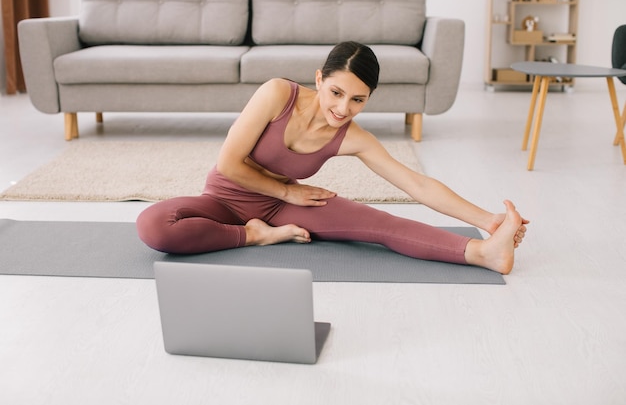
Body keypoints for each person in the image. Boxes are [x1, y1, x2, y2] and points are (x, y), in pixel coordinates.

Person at [136, 41, 528, 274]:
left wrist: (488, 220)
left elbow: (417, 184)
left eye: (358, 100)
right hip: (225, 199)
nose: (343, 109)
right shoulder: (278, 94)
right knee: (154, 225)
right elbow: (229, 165)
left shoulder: (353, 137)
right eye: (336, 92)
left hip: (286, 208)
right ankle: (254, 236)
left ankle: (482, 253)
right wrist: (286, 193)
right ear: (320, 78)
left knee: (382, 225)